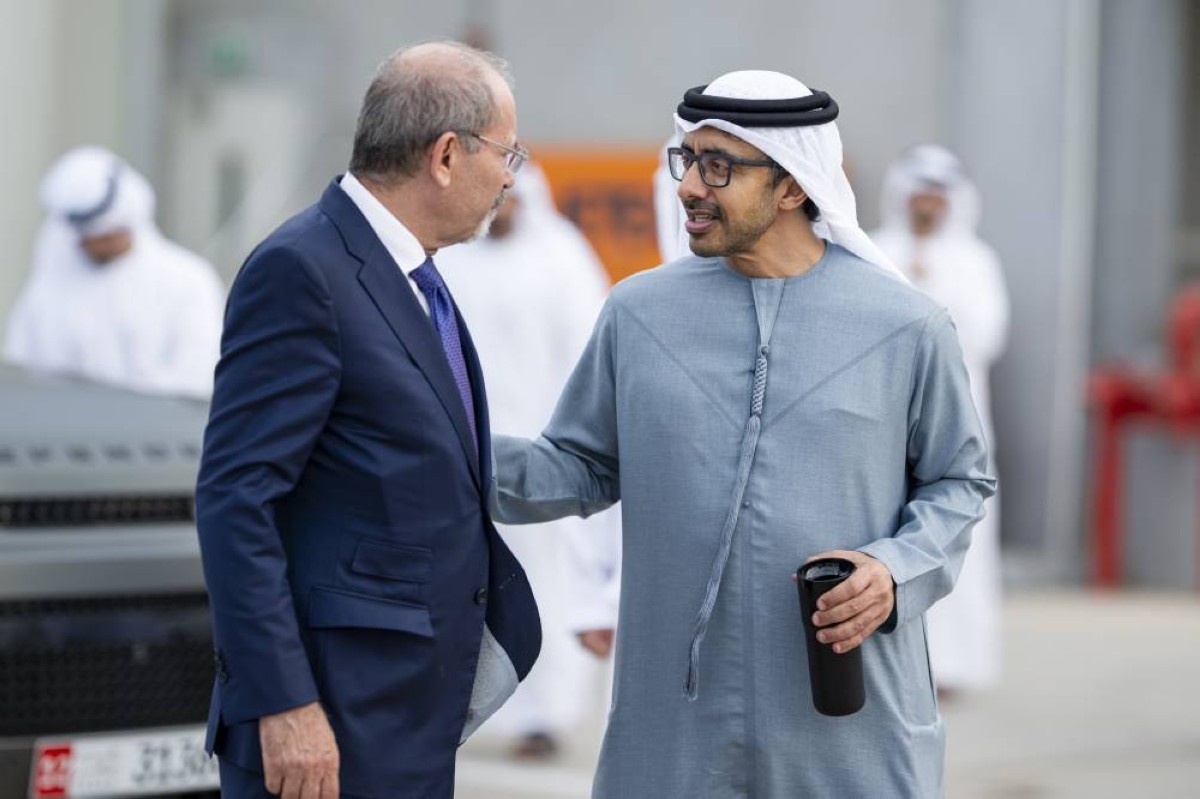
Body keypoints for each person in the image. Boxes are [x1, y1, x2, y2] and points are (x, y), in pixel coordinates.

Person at [490, 70, 996, 797]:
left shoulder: (907, 327)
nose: (691, 185)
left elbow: (959, 478)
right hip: (673, 737)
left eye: (719, 166)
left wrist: (894, 570)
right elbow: (576, 465)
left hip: (849, 731)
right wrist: (444, 449)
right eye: (687, 160)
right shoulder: (637, 315)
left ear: (794, 186)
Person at [195, 42, 541, 799]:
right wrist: (284, 702)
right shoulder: (304, 271)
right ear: (447, 155)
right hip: (324, 726)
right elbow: (235, 497)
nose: (511, 177)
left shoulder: (415, 277)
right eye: (507, 152)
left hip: (400, 717)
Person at [437, 165, 620, 759]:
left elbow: (593, 361)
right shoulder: (452, 258)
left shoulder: (562, 259)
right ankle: (465, 708)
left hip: (546, 456)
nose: (504, 204)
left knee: (548, 581)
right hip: (463, 452)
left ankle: (546, 717)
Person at [871, 144, 1010, 694]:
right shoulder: (875, 250)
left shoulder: (975, 261)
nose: (927, 203)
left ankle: (952, 663)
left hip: (958, 426)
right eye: (919, 192)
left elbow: (987, 335)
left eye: (937, 194)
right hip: (885, 419)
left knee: (957, 537)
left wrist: (931, 288)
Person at [4, 146, 224, 398]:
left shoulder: (187, 280)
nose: (97, 245)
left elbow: (197, 380)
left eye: (107, 235)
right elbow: (20, 373)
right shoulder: (48, 287)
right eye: (88, 239)